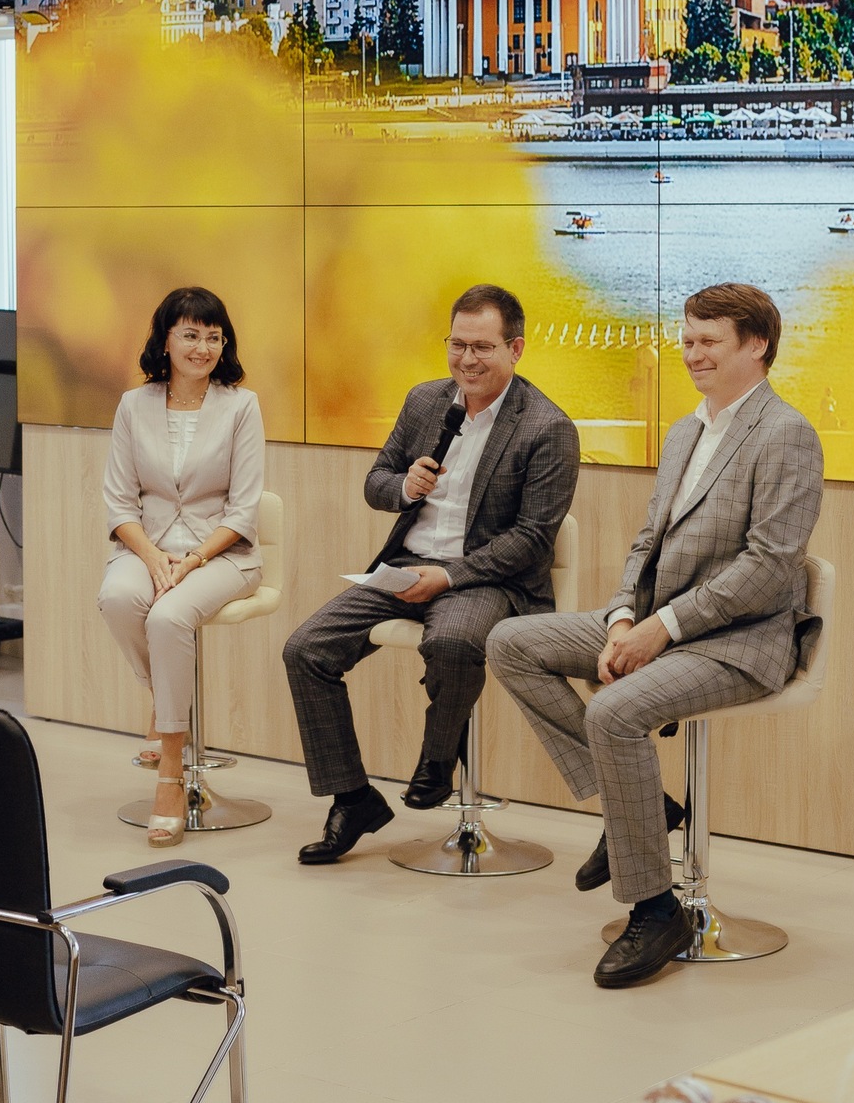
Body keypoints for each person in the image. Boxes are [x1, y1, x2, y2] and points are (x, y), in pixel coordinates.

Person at [487, 283, 824, 990]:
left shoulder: (786, 434)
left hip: (742, 640)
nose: (692, 353)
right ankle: (641, 810)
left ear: (757, 345)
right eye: (687, 339)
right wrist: (620, 619)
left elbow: (768, 567)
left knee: (614, 711)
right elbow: (647, 542)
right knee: (513, 641)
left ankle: (655, 908)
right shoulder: (684, 432)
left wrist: (660, 630)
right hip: (656, 619)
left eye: (709, 341)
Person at [283, 284, 580, 866]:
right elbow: (376, 482)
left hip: (486, 577)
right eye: (457, 344)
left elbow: (531, 540)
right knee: (305, 650)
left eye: (483, 347)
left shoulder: (547, 427)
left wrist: (447, 579)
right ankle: (352, 798)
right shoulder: (425, 401)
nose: (467, 359)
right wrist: (403, 486)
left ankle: (439, 757)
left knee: (452, 642)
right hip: (404, 566)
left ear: (515, 349)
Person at [98, 287, 265, 849]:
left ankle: (169, 772)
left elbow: (243, 511)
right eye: (190, 334)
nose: (203, 347)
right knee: (118, 598)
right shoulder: (133, 404)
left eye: (214, 337)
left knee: (167, 618)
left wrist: (191, 561)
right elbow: (119, 504)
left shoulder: (241, 406)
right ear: (165, 340)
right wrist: (152, 557)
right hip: (148, 548)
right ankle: (162, 699)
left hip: (223, 554)